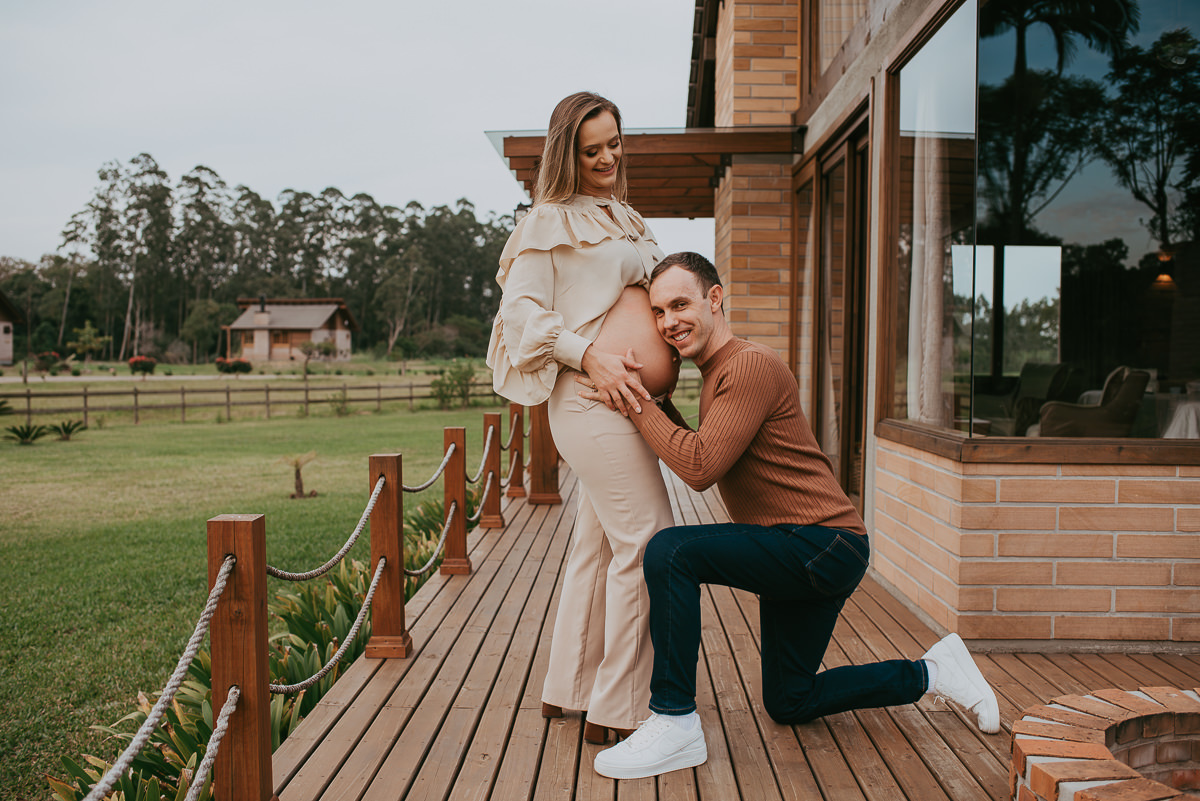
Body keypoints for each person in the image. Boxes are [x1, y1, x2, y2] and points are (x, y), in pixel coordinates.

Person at [580, 252, 1001, 780]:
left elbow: (699, 465)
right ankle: (933, 673)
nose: (668, 323)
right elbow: (702, 445)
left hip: (821, 543)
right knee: (791, 699)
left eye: (680, 304)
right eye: (660, 312)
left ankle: (675, 720)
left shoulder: (750, 365)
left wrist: (634, 398)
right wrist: (659, 403)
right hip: (803, 546)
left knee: (671, 551)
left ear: (716, 298)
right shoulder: (717, 374)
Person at [486, 91, 679, 743]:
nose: (606, 157)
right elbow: (520, 317)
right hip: (590, 401)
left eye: (614, 143)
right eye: (591, 148)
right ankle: (620, 706)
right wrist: (589, 354)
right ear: (568, 150)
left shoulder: (625, 217)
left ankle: (568, 688)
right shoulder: (547, 221)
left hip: (634, 403)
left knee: (597, 543)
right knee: (649, 540)